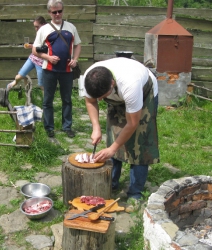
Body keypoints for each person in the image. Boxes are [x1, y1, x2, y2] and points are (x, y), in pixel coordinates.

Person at [83, 57, 160, 213]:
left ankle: (135, 193)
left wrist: (113, 148)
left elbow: (132, 123)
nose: (100, 100)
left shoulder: (131, 84)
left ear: (112, 83)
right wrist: (96, 127)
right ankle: (111, 183)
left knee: (140, 144)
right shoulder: (89, 78)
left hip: (144, 94)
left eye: (103, 96)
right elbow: (91, 101)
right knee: (113, 136)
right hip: (119, 95)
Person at [32, 0, 81, 138]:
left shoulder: (71, 27)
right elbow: (35, 50)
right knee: (48, 100)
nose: (58, 14)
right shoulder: (43, 29)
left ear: (63, 11)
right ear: (49, 13)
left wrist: (75, 60)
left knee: (67, 99)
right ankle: (49, 128)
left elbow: (77, 45)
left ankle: (67, 127)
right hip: (49, 70)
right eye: (54, 12)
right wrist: (48, 58)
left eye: (60, 11)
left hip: (67, 70)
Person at [7, 16, 46, 96]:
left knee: (42, 85)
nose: (36, 29)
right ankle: (15, 83)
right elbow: (37, 46)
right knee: (18, 77)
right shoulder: (38, 32)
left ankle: (47, 104)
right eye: (34, 27)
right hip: (32, 58)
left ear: (43, 24)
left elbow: (45, 48)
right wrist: (31, 46)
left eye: (37, 26)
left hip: (41, 62)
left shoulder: (48, 33)